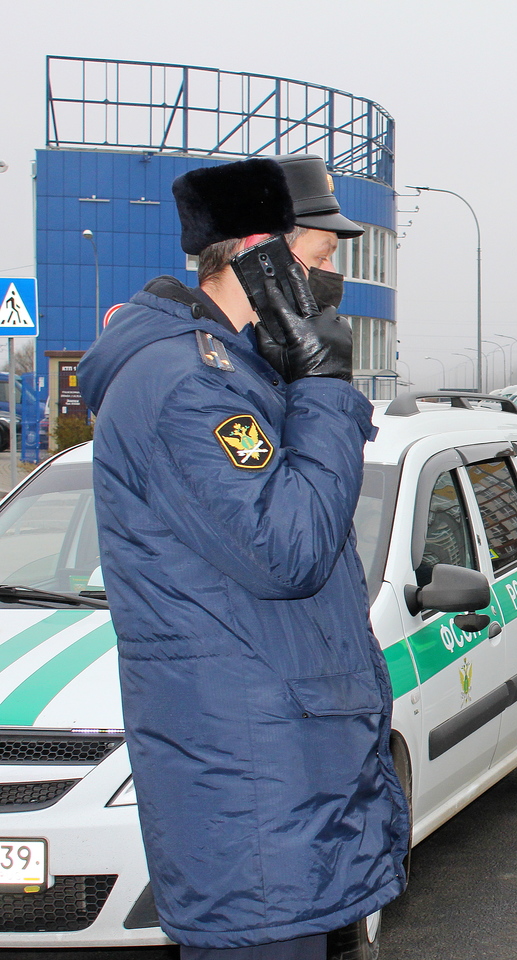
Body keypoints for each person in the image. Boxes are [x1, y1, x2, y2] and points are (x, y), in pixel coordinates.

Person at [77, 156, 409, 959]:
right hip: (254, 790)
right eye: (322, 261)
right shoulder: (188, 383)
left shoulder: (236, 373)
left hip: (278, 776)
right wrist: (325, 389)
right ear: (262, 257)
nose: (333, 287)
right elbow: (289, 548)